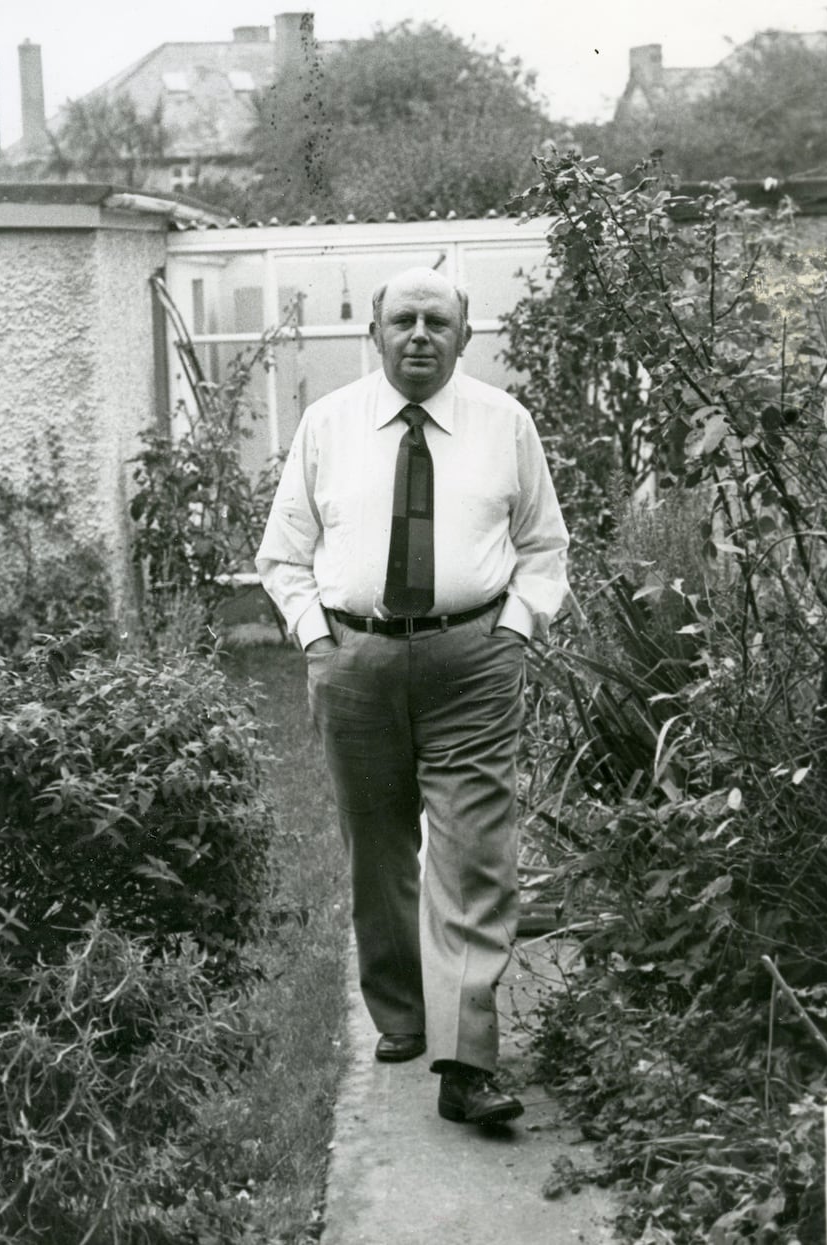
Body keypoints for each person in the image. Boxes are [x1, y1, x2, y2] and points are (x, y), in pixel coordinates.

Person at [256, 266, 568, 1126]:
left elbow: (545, 546)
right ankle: (399, 1012)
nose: (420, 335)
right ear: (377, 335)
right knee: (378, 842)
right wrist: (316, 640)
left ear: (466, 337)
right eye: (404, 320)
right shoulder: (328, 425)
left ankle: (465, 1057)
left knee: (474, 852)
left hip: (472, 660)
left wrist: (517, 626)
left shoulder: (506, 424)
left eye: (439, 320)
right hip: (355, 659)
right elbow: (281, 556)